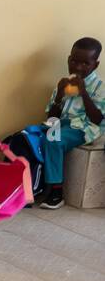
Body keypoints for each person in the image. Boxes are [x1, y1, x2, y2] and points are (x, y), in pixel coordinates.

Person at [38, 37, 103, 209]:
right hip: (61, 124)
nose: (78, 67)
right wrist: (59, 94)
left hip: (84, 128)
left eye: (85, 63)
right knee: (30, 134)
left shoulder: (100, 87)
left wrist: (83, 92)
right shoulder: (65, 83)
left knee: (54, 140)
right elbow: (51, 118)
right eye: (74, 61)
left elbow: (97, 119)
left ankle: (56, 191)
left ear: (95, 65)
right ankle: (32, 187)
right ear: (68, 59)